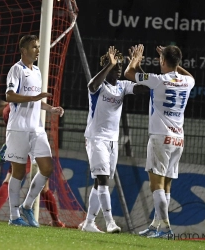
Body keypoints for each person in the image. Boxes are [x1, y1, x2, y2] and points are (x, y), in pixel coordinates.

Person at [124, 44, 195, 238]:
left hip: (160, 138)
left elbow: (129, 73)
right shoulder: (187, 82)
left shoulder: (158, 80)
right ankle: (156, 226)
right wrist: (173, 63)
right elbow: (188, 76)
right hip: (178, 139)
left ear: (162, 61)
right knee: (167, 186)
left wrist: (135, 60)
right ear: (178, 62)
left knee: (156, 186)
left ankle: (165, 228)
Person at [81, 46, 146, 233]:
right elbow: (91, 86)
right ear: (107, 66)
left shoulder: (122, 86)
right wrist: (109, 65)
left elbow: (144, 88)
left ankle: (89, 223)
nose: (119, 68)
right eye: (115, 66)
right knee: (103, 181)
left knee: (99, 182)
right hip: (96, 139)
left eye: (119, 66)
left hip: (112, 141)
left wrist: (138, 66)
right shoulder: (99, 86)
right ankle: (110, 222)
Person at [4, 35, 64, 227]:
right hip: (18, 128)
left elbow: (36, 99)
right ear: (23, 49)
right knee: (18, 173)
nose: (37, 50)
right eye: (34, 47)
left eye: (38, 47)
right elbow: (10, 95)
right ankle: (14, 217)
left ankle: (27, 206)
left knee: (47, 167)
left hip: (36, 128)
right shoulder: (16, 69)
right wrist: (34, 98)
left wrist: (50, 109)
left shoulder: (37, 71)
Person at [0, 97, 65, 227]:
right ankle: (53, 220)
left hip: (28, 143)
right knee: (40, 181)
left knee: (15, 177)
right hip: (29, 142)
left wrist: (6, 146)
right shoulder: (13, 105)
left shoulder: (7, 111)